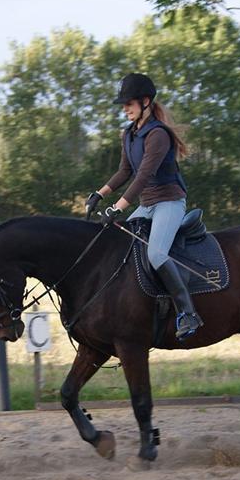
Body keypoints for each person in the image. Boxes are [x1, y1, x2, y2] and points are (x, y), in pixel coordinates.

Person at [85, 73, 203, 340]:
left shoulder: (158, 135)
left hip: (169, 203)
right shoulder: (128, 135)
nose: (125, 109)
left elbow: (145, 175)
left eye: (130, 103)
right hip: (147, 205)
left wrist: (118, 207)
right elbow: (125, 171)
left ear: (146, 102)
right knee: (120, 246)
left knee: (157, 255)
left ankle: (188, 313)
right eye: (124, 104)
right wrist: (98, 194)